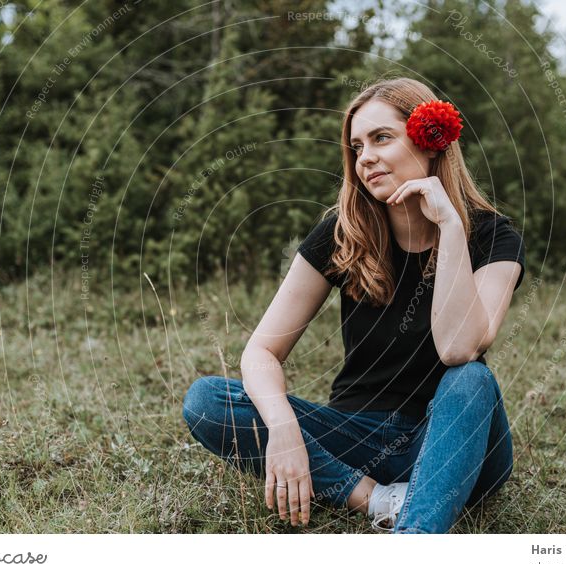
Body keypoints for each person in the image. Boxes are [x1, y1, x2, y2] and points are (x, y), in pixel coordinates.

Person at [182, 77, 525, 533]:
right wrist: (283, 430)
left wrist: (450, 228)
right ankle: (376, 500)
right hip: (354, 436)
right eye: (357, 146)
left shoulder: (492, 236)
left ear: (431, 141)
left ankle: (415, 536)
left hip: (453, 444)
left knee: (471, 379)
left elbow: (457, 349)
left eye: (382, 138)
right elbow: (260, 352)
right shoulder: (342, 234)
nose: (366, 157)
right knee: (207, 400)